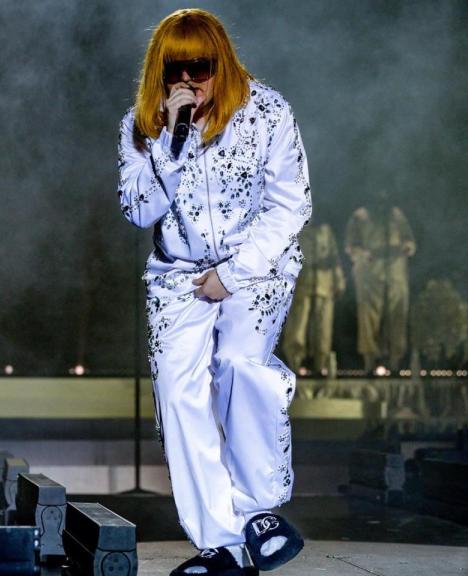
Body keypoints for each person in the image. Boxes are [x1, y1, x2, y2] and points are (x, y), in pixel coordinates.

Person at [117, 9, 310, 575]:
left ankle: (259, 513)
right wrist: (171, 145)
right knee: (178, 398)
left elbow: (290, 202)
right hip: (176, 276)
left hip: (255, 267)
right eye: (175, 68)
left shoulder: (267, 111)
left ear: (219, 61)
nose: (188, 80)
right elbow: (137, 209)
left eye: (198, 67)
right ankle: (220, 542)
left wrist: (236, 272)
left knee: (239, 366)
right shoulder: (141, 124)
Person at [344, 192, 415, 372]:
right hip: (369, 273)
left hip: (395, 272)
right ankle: (369, 361)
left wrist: (406, 247)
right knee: (368, 317)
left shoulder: (396, 215)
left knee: (397, 315)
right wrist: (363, 254)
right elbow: (350, 245)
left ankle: (395, 361)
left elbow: (410, 240)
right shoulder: (359, 216)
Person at [281, 221, 344, 375]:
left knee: (323, 327)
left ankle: (320, 364)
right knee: (297, 325)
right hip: (302, 282)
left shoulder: (326, 230)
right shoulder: (295, 227)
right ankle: (294, 361)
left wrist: (339, 278)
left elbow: (333, 256)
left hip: (324, 282)